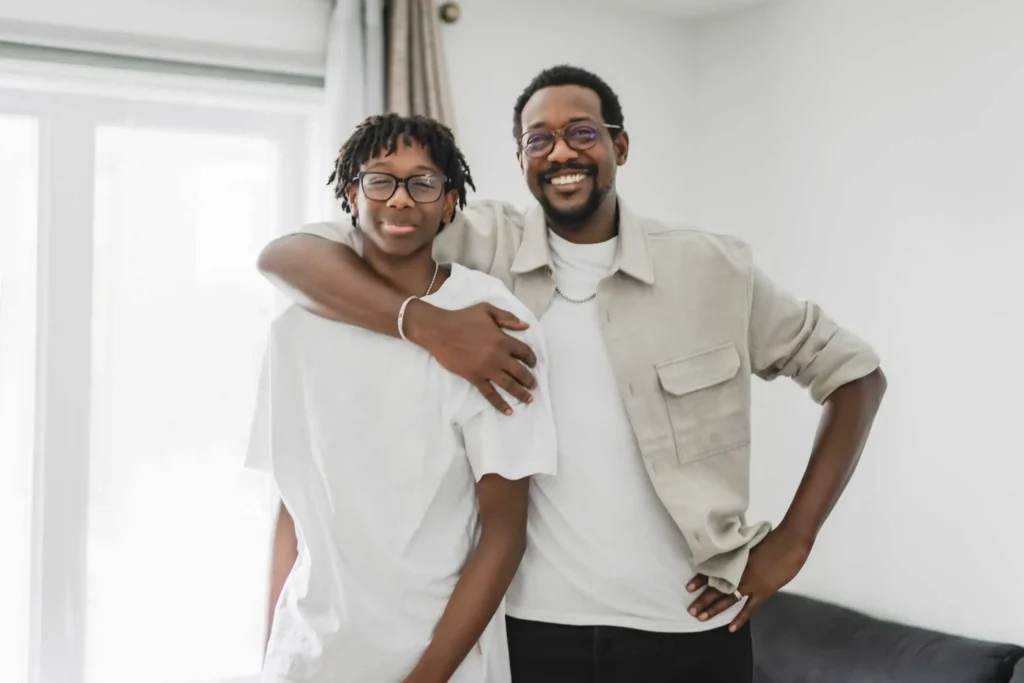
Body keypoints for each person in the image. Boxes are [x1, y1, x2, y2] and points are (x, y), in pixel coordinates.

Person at [257, 66, 887, 683]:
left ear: (620, 146)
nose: (561, 152)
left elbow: (855, 376)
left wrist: (795, 540)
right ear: (520, 158)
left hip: (691, 627)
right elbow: (290, 257)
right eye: (539, 140)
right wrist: (426, 323)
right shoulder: (478, 242)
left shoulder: (712, 268)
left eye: (582, 133)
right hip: (532, 632)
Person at [246, 113, 558, 683]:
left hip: (439, 661)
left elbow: (505, 533)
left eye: (423, 182)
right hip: (306, 661)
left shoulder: (494, 324)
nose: (400, 198)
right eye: (381, 180)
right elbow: (292, 508)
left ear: (450, 202)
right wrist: (271, 653)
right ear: (351, 194)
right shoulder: (294, 330)